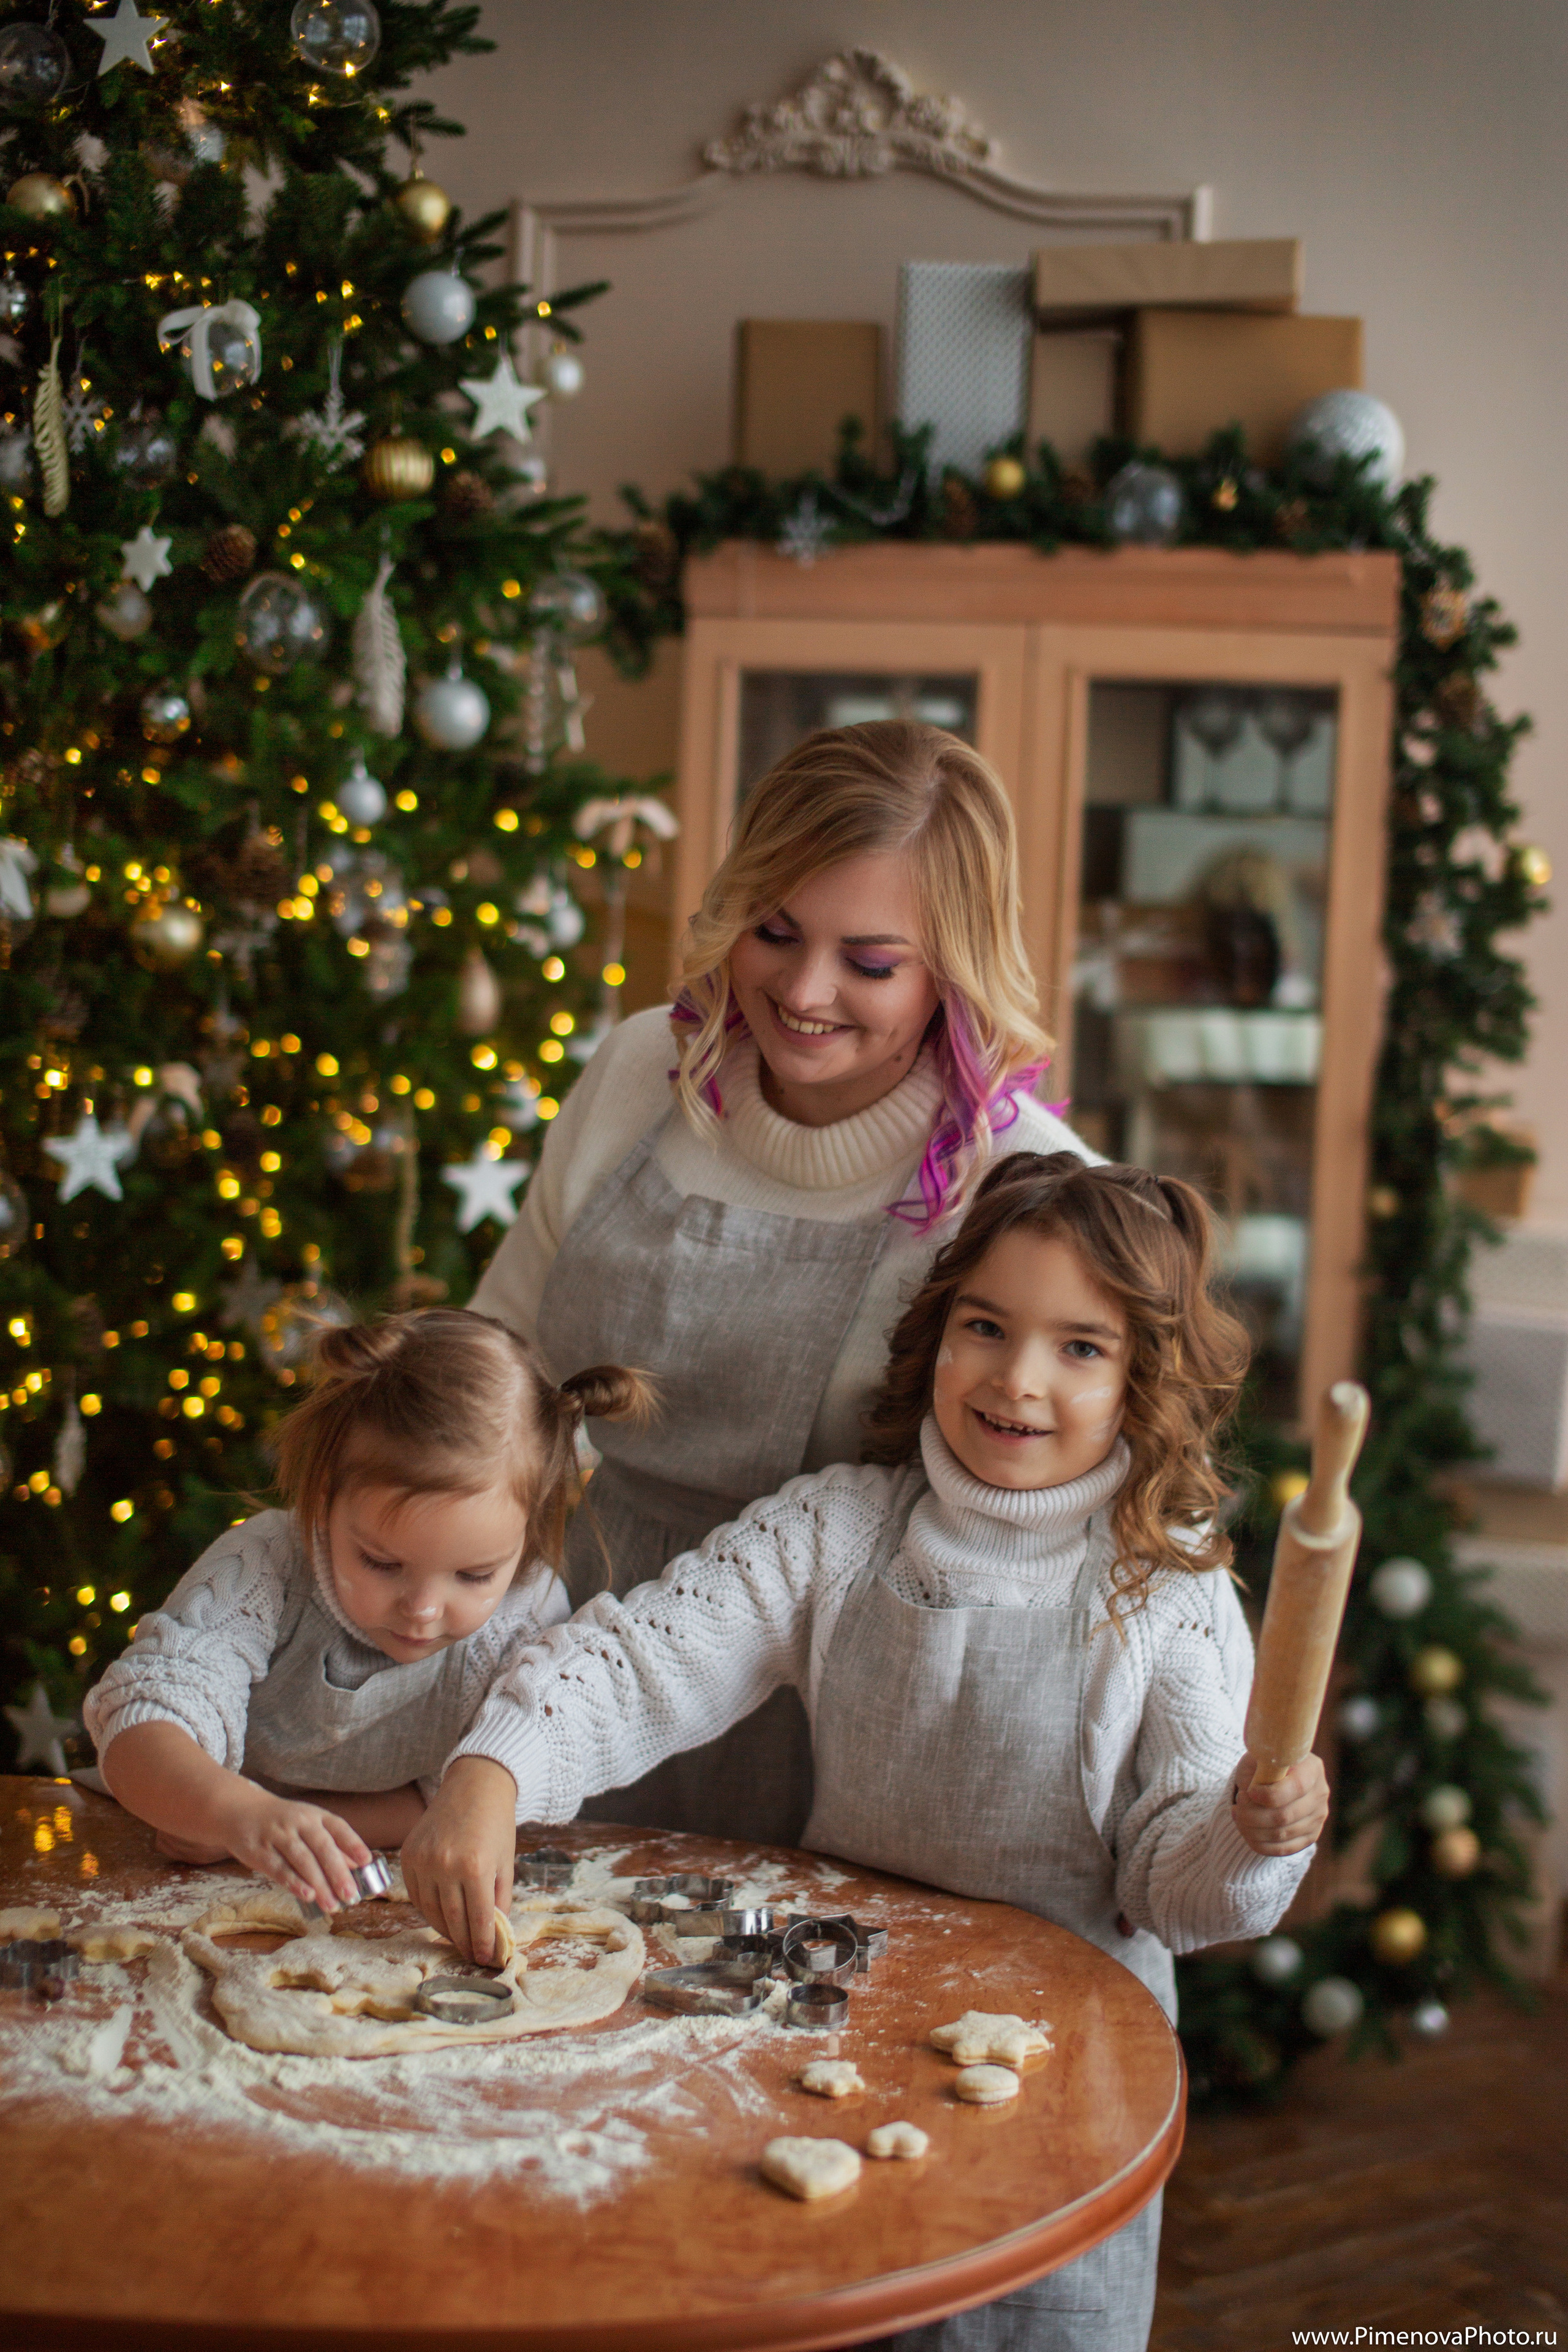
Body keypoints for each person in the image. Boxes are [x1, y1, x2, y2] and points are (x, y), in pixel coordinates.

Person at [404, 1153, 1329, 2352]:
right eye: (984, 1326)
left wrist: (1245, 1835)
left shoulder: (1166, 1591)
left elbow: (1175, 1888)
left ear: (1144, 1380)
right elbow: (639, 1663)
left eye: (1079, 1348)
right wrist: (495, 1772)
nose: (1016, 1378)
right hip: (831, 2029)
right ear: (936, 1329)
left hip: (1064, 2076)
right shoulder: (838, 1529)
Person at [471, 719, 1092, 1845]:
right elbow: (497, 1365)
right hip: (574, 1670)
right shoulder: (635, 1073)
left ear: (953, 967)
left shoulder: (1033, 1191)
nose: (805, 991)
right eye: (774, 930)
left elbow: (1096, 1528)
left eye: (870, 962)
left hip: (851, 1722)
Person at [83, 1310, 650, 1923]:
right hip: (175, 1866)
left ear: (530, 1526)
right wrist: (230, 1813)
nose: (424, 1610)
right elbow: (140, 1731)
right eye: (382, 1563)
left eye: (474, 1575)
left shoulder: (528, 1614)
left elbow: (470, 1803)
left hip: (356, 1888)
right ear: (323, 1497)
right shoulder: (266, 1568)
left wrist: (297, 1837)